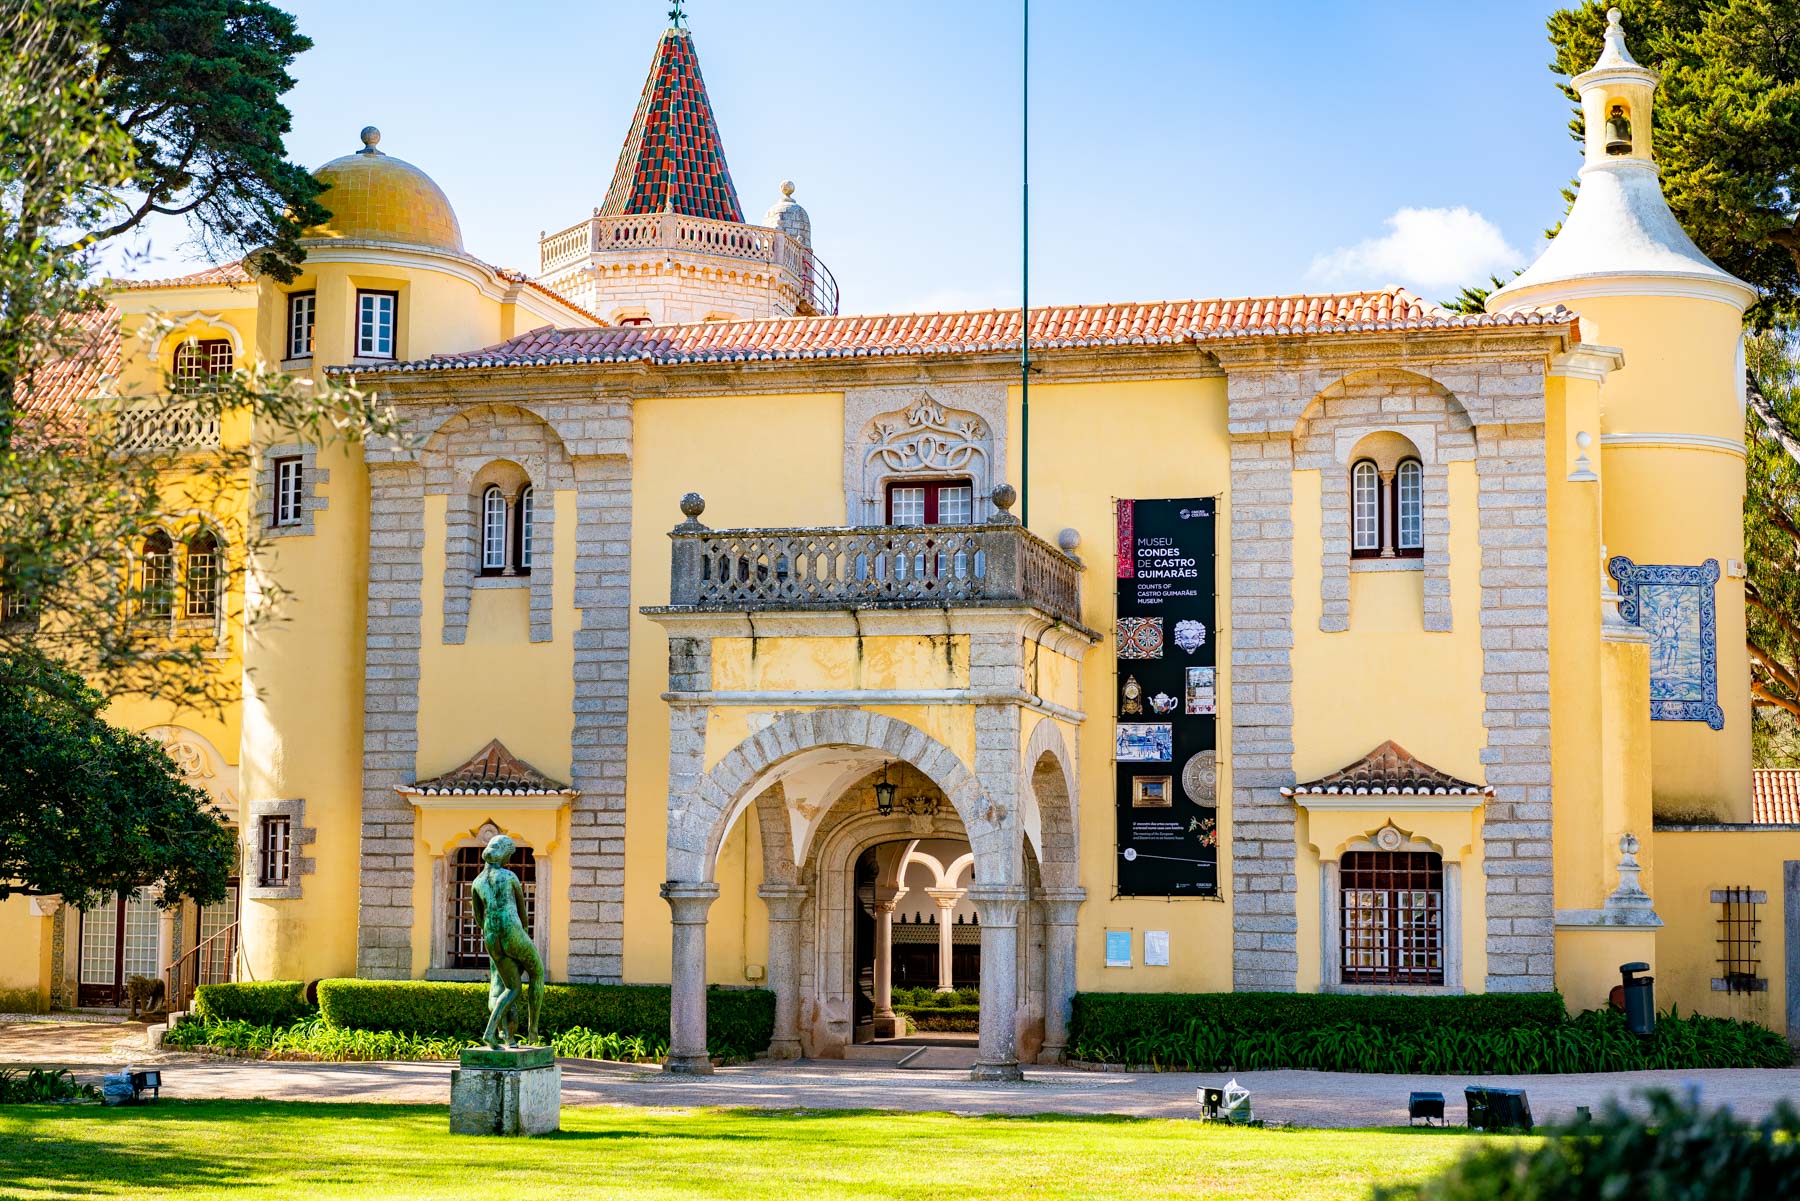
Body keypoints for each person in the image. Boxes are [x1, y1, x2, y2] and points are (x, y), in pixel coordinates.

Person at [470, 833, 545, 1048]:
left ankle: (490, 1033)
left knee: (511, 988)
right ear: (502, 855)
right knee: (537, 973)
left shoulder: (476, 882)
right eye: (508, 856)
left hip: (491, 936)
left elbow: (478, 917)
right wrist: (523, 936)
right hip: (512, 931)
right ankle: (533, 1031)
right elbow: (522, 912)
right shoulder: (509, 877)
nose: (509, 860)